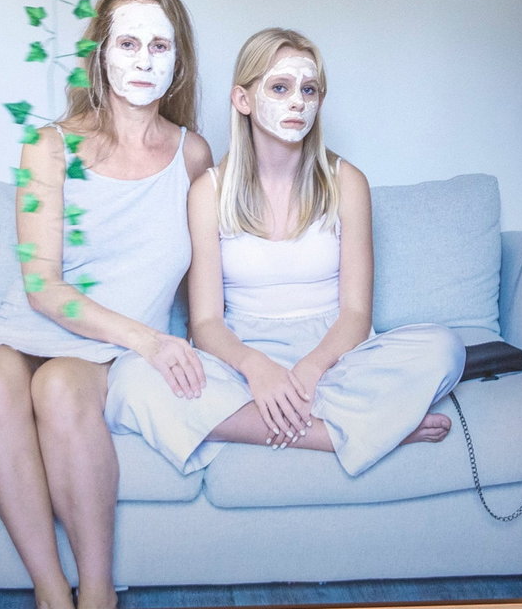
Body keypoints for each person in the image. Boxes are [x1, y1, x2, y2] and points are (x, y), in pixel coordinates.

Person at [0, 0, 212, 609]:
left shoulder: (193, 155)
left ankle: (98, 594)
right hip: (43, 320)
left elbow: (208, 275)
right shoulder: (48, 146)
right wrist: (150, 340)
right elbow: (42, 287)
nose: (143, 60)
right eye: (128, 43)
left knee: (60, 385)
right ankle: (52, 593)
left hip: (110, 347)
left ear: (178, 61)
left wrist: (210, 346)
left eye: (159, 45)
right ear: (100, 53)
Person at [107, 28, 466, 477]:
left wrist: (310, 371)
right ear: (242, 99)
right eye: (280, 87)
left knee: (444, 348)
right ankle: (358, 433)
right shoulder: (209, 192)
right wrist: (258, 370)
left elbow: (356, 314)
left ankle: (299, 422)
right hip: (242, 361)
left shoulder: (347, 182)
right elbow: (206, 322)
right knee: (131, 377)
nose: (297, 101)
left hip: (335, 360)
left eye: (309, 90)